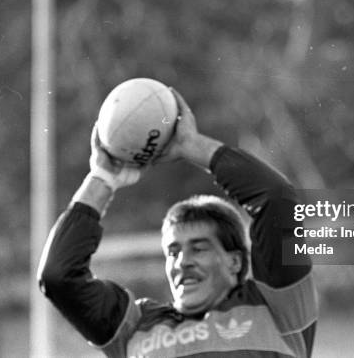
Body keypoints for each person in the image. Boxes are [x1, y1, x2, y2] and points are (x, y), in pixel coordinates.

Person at [37, 89, 318, 357]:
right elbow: (58, 277)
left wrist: (192, 146)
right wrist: (103, 179)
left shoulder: (277, 309)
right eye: (173, 251)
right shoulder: (134, 327)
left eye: (199, 248)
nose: (182, 262)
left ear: (234, 261)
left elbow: (277, 199)